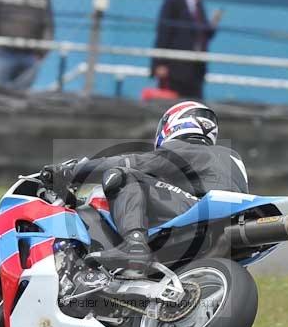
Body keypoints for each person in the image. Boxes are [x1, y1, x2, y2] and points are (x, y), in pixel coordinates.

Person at [44, 101, 249, 269]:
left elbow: (135, 163)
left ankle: (134, 245)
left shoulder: (187, 148)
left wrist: (73, 171)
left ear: (174, 124)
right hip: (227, 223)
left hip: (200, 212)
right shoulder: (230, 156)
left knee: (124, 176)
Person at [151, 0, 221, 100]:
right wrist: (159, 63)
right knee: (173, 106)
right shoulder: (173, 1)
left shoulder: (199, 4)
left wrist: (213, 25)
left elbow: (202, 36)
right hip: (174, 69)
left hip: (195, 70)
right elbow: (164, 33)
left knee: (195, 106)